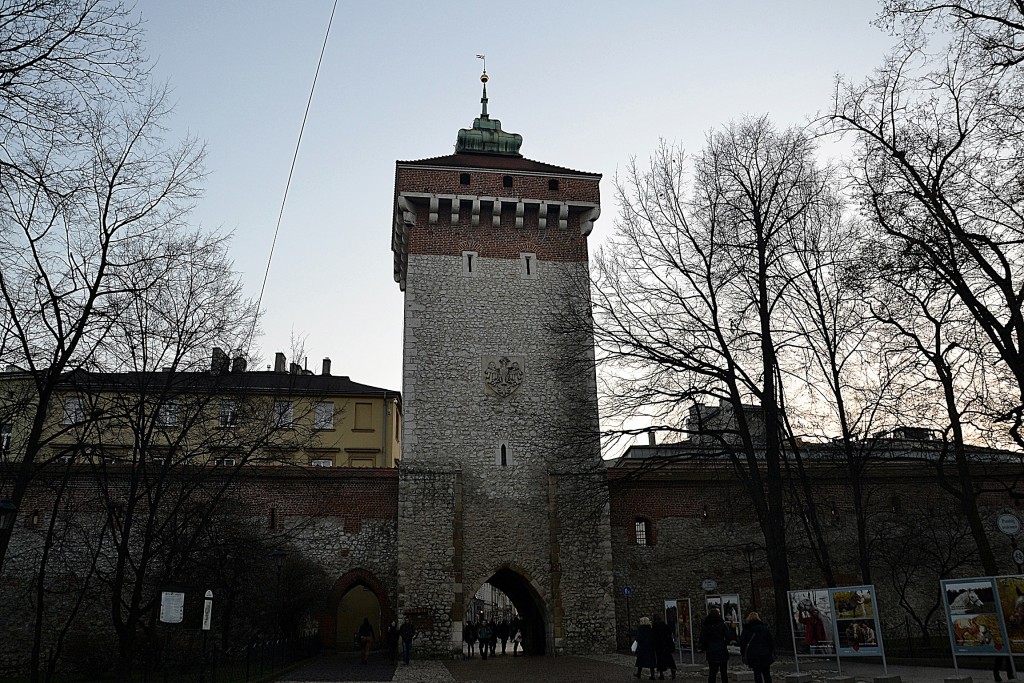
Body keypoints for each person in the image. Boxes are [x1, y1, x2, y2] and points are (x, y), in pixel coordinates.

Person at [699, 608, 736, 683]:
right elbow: (729, 636)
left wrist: (704, 647)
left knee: (712, 672)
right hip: (721, 649)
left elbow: (702, 638)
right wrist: (725, 643)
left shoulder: (706, 626)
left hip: (711, 650)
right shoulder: (722, 625)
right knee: (723, 672)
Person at [739, 612, 775, 683]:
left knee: (757, 674)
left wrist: (743, 654)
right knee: (766, 674)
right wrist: (770, 651)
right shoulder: (764, 629)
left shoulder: (746, 630)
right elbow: (770, 642)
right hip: (764, 653)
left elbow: (742, 643)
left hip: (753, 655)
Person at [653, 614, 677, 680]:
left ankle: (661, 674)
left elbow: (654, 637)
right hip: (666, 646)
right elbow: (669, 634)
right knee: (669, 659)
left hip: (659, 646)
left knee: (660, 660)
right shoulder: (665, 626)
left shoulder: (655, 627)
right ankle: (673, 671)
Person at [634, 616, 657, 680]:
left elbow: (639, 638)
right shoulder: (650, 628)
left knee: (640, 661)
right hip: (650, 647)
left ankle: (639, 674)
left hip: (643, 647)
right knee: (651, 662)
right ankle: (653, 675)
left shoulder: (641, 629)